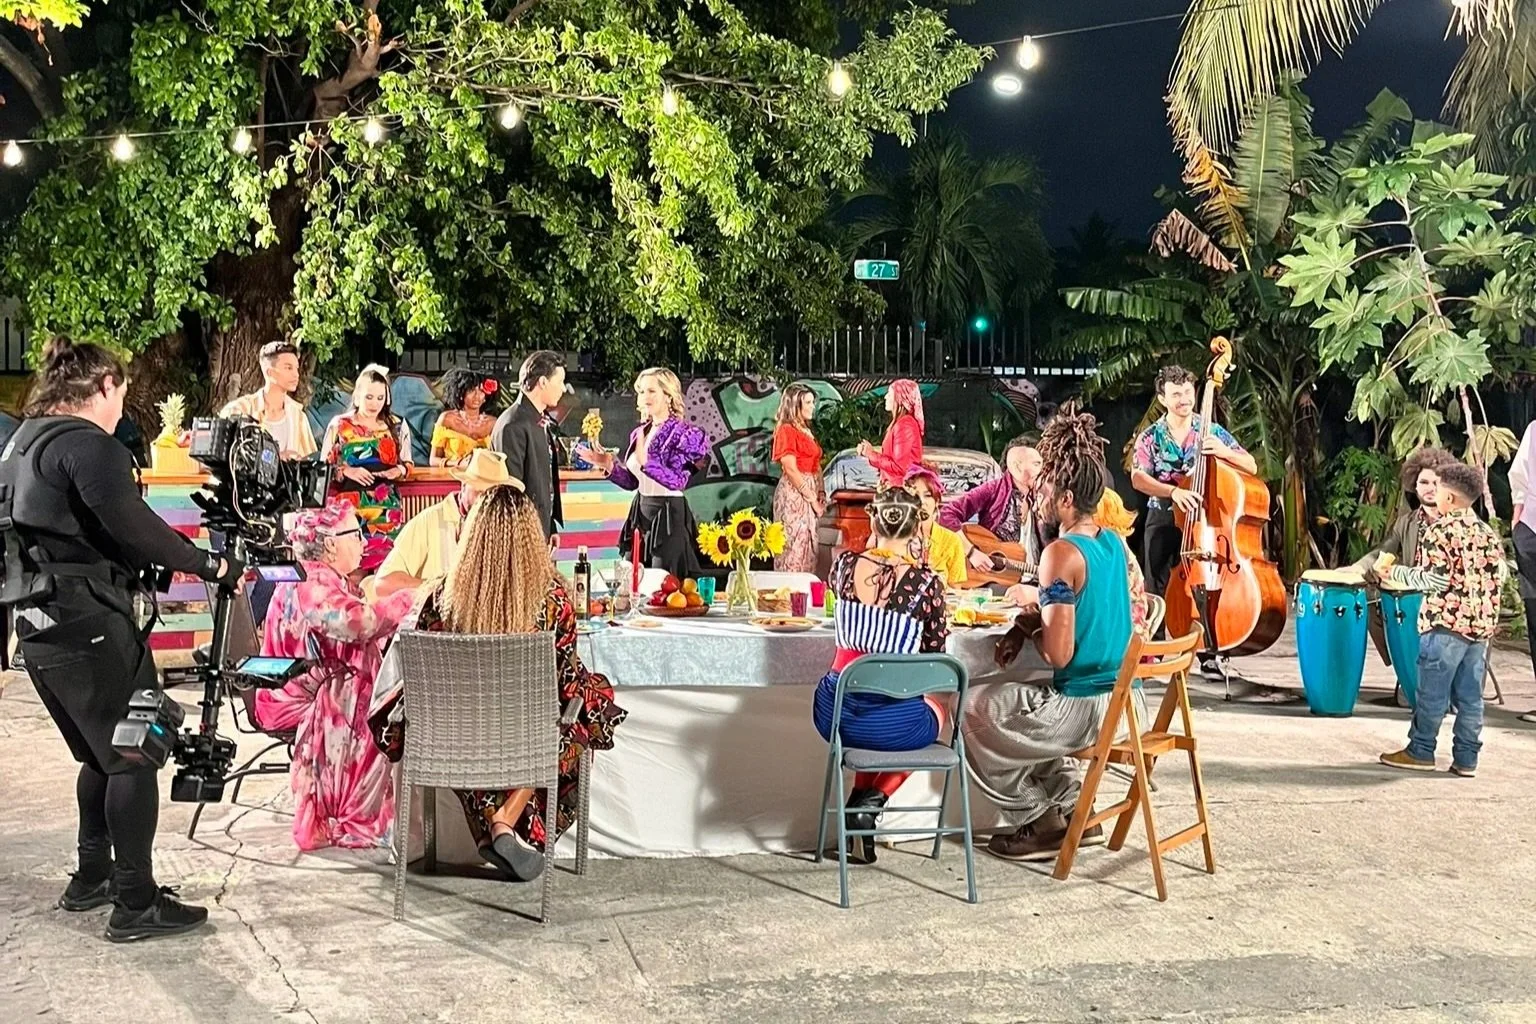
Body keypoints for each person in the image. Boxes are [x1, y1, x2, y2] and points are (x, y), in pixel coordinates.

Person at [0, 338, 242, 941]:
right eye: (122, 395)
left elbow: (64, 529)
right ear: (104, 385)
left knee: (100, 754)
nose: (121, 409)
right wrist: (209, 566)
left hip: (37, 625)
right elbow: (133, 524)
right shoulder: (88, 444)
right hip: (87, 624)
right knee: (136, 753)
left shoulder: (20, 444)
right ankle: (135, 901)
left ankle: (93, 875)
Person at [371, 486, 627, 880]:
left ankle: (499, 820)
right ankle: (505, 822)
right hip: (527, 739)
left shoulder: (441, 598)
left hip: (455, 739)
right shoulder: (554, 598)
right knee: (583, 707)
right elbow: (562, 681)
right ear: (531, 536)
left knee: (480, 733)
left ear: (472, 535)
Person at [965, 404, 1142, 862]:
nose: (1038, 495)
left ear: (1065, 499)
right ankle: (1070, 809)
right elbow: (1089, 618)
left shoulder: (1060, 554)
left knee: (974, 711)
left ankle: (1039, 819)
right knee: (1018, 708)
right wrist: (1026, 627)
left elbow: (1060, 657)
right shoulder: (1110, 541)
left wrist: (1036, 615)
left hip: (1087, 707)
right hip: (1126, 701)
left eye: (1044, 488)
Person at [254, 501, 416, 850]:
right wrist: (407, 601)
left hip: (306, 685)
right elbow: (358, 624)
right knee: (367, 689)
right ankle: (354, 812)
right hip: (296, 695)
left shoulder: (318, 577)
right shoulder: (314, 583)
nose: (363, 541)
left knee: (363, 676)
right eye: (355, 534)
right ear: (329, 544)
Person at [812, 485, 950, 864]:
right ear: (918, 527)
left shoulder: (842, 567)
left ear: (874, 520)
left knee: (879, 705)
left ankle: (860, 817)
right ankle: (871, 801)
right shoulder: (926, 585)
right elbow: (934, 659)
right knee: (937, 711)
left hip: (833, 713)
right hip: (889, 723)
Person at [1374, 462, 1506, 777]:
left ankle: (1421, 750)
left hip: (1445, 626)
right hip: (1478, 629)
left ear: (1449, 498)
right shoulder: (1486, 532)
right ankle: (1466, 759)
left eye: (1439, 488)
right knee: (1471, 698)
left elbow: (1435, 580)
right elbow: (1498, 574)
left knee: (1432, 694)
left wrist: (1393, 572)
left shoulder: (1440, 530)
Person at [1130, 365, 1256, 599]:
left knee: (1204, 585)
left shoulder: (1211, 431)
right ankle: (1156, 636)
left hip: (1204, 521)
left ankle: (1202, 633)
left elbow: (1251, 465)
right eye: (1176, 394)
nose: (1184, 399)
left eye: (1188, 392)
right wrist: (1173, 492)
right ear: (1162, 399)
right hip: (1163, 519)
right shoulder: (1150, 436)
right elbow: (1138, 478)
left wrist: (1224, 452)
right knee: (1155, 590)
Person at [584, 367, 709, 580]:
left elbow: (678, 481)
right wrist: (609, 467)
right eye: (641, 391)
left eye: (651, 391)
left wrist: (647, 463)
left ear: (668, 395)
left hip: (668, 513)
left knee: (663, 584)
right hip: (640, 512)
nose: (644, 397)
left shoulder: (684, 434)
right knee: (633, 581)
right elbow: (633, 482)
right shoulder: (640, 432)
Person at [1352, 447, 1456, 679]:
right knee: (1366, 597)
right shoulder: (1406, 522)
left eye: (1437, 483)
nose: (1430, 489)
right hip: (1410, 596)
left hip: (1447, 597)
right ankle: (1404, 664)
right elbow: (1383, 550)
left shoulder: (1458, 521)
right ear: (1414, 485)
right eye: (1424, 482)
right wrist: (1357, 569)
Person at [373, 449, 522, 599]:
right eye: (481, 493)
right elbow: (384, 584)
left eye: (494, 496)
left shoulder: (506, 527)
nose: (488, 503)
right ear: (464, 485)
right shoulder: (429, 521)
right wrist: (443, 589)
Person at [321, 364, 414, 574]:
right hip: (349, 507)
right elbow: (324, 465)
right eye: (369, 397)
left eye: (380, 398)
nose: (374, 404)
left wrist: (397, 471)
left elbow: (408, 465)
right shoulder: (340, 425)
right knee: (351, 568)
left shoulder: (397, 425)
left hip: (385, 506)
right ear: (357, 396)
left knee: (384, 569)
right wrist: (345, 470)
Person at [938, 434, 1046, 574]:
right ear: (1016, 466)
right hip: (997, 579)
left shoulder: (1040, 497)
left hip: (1034, 579)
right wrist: (971, 552)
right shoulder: (993, 490)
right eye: (1036, 464)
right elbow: (946, 514)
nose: (1041, 470)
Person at [492, 351, 566, 539]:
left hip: (539, 527)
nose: (563, 389)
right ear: (543, 382)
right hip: (521, 535)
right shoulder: (513, 424)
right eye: (560, 382)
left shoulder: (538, 419)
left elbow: (543, 479)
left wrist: (550, 526)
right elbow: (510, 492)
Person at [219, 340, 318, 459]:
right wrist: (275, 457)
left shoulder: (298, 417)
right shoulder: (239, 410)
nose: (296, 374)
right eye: (288, 368)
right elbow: (226, 454)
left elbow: (304, 461)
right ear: (270, 372)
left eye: (296, 368)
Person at [771, 383, 825, 573]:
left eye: (812, 402)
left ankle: (804, 596)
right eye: (808, 403)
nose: (812, 407)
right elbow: (790, 469)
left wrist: (821, 491)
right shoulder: (787, 430)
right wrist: (812, 499)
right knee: (794, 547)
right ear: (795, 406)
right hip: (795, 493)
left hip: (809, 488)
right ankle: (788, 596)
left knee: (809, 548)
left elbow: (816, 464)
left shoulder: (806, 430)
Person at [1506, 420, 1536, 722]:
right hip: (1532, 531)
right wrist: (1517, 520)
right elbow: (1520, 475)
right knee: (1535, 615)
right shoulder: (1535, 430)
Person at [904, 465, 967, 587]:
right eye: (915, 495)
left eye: (927, 495)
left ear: (937, 501)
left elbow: (956, 593)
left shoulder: (952, 541)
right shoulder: (896, 538)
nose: (921, 501)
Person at [857, 378, 925, 488]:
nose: (885, 397)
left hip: (899, 492)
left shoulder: (905, 424)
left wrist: (871, 454)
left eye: (889, 394)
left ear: (900, 399)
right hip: (895, 489)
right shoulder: (902, 423)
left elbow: (899, 467)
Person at [428, 368, 498, 468]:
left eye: (481, 391)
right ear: (461, 394)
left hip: (481, 479)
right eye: (471, 390)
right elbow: (433, 460)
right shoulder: (446, 419)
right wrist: (458, 463)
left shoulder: (493, 423)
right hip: (450, 477)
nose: (477, 396)